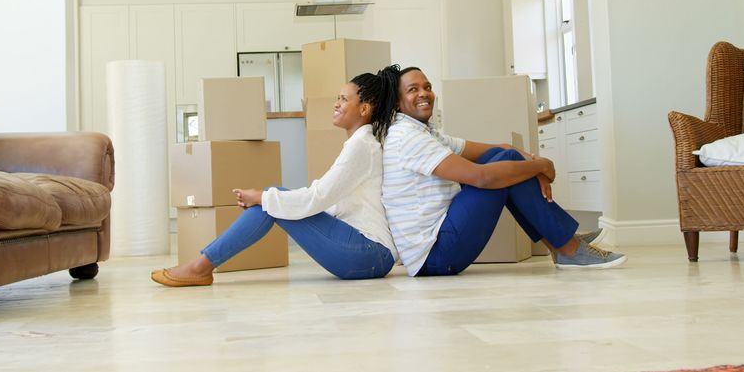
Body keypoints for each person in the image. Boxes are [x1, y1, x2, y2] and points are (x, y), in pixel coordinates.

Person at [151, 68, 399, 287]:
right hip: (367, 253)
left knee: (270, 200)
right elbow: (324, 196)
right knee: (271, 200)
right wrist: (267, 198)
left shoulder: (362, 146)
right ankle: (201, 267)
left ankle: (200, 267)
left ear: (364, 108)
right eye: (337, 98)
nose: (336, 104)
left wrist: (263, 197)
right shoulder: (361, 144)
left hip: (369, 254)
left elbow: (318, 197)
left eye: (344, 99)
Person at [380, 66, 626, 277]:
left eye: (427, 86)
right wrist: (540, 166)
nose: (424, 93)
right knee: (502, 168)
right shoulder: (407, 138)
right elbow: (482, 177)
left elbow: (499, 148)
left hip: (439, 244)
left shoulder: (425, 132)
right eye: (413, 89)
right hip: (434, 257)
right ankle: (567, 246)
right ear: (398, 103)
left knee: (504, 159)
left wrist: (531, 163)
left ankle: (559, 243)